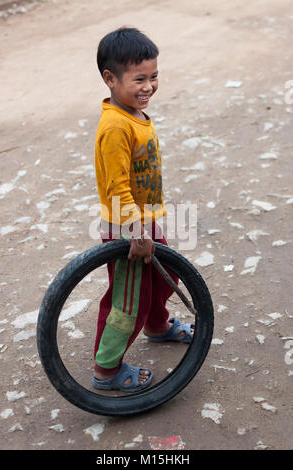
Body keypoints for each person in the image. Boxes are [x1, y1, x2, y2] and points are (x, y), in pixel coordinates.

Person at [93, 27, 193, 392]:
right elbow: (116, 187)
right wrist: (136, 232)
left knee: (163, 278)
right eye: (139, 79)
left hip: (144, 221)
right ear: (110, 78)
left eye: (154, 77)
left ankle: (158, 326)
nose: (148, 86)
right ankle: (106, 369)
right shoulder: (116, 127)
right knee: (127, 301)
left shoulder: (133, 114)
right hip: (128, 227)